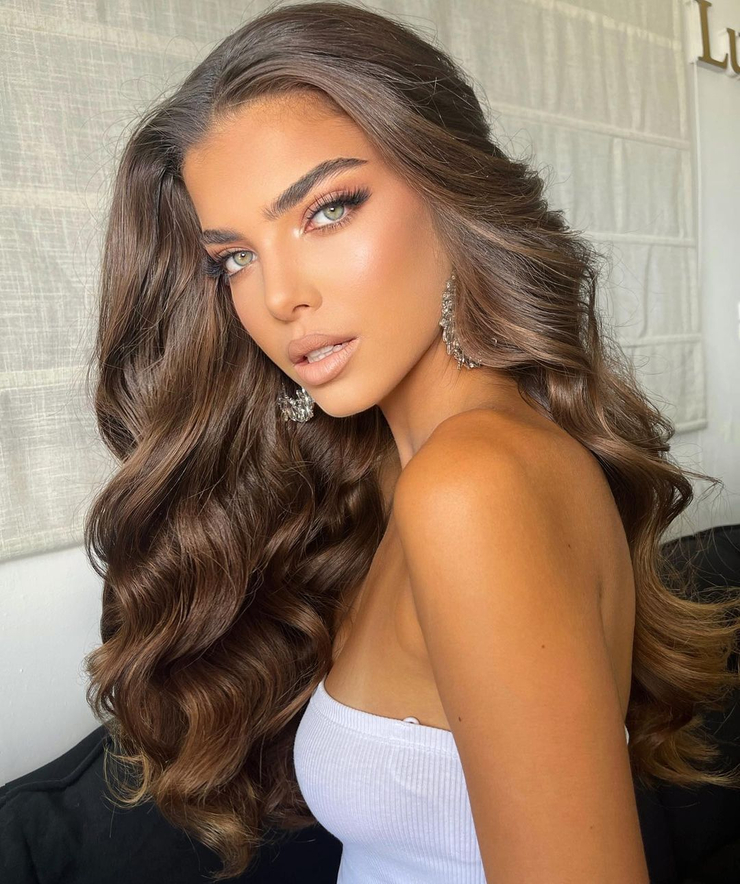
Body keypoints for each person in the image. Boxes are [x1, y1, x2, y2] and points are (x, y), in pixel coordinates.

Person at [82, 2, 740, 882]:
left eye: (327, 210)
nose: (278, 296)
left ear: (449, 191)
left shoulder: (474, 485)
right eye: (234, 257)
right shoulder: (408, 475)